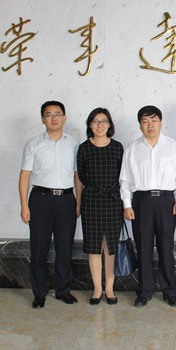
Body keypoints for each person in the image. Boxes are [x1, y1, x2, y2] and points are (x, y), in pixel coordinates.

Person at [119, 105, 176, 308]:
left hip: (166, 201)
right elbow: (125, 180)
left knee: (166, 248)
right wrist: (127, 204)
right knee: (144, 248)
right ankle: (144, 291)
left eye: (154, 120)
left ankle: (170, 291)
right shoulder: (132, 148)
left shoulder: (172, 146)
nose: (150, 125)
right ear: (140, 124)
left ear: (161, 122)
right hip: (142, 202)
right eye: (145, 121)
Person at [19, 100, 81, 308]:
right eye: (49, 114)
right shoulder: (33, 144)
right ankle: (39, 293)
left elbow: (77, 175)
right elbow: (25, 175)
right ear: (42, 119)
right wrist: (24, 205)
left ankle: (63, 290)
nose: (54, 118)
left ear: (64, 117)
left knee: (65, 248)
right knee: (39, 248)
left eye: (57, 114)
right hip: (40, 200)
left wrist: (78, 202)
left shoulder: (73, 144)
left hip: (66, 200)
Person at [76, 108, 124, 306]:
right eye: (96, 121)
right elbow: (80, 177)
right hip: (91, 200)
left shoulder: (117, 147)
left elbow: (123, 177)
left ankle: (110, 289)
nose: (100, 125)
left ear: (109, 125)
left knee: (110, 246)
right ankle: (97, 289)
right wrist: (78, 203)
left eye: (104, 121)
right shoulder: (84, 148)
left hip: (113, 200)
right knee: (93, 246)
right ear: (90, 125)